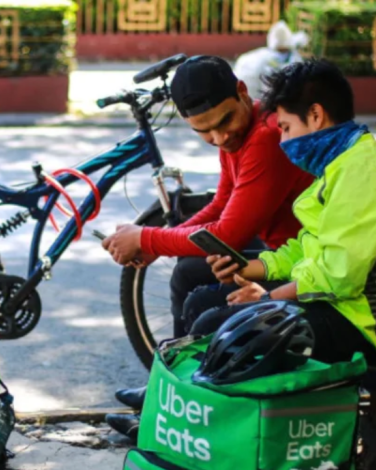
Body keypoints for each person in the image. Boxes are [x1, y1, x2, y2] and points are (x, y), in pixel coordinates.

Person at [108, 58, 376, 439]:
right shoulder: (341, 164)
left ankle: (195, 427)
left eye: (287, 128)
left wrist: (269, 296)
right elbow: (307, 247)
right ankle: (178, 412)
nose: (284, 140)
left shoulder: (362, 172)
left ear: (315, 115)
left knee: (218, 322)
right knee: (202, 305)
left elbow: (336, 276)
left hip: (360, 322)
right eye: (203, 132)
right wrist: (256, 273)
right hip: (332, 301)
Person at [102, 55, 313, 412]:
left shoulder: (264, 138)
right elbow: (221, 205)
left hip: (306, 268)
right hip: (285, 258)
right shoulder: (237, 138)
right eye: (203, 131)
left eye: (225, 120)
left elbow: (227, 232)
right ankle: (168, 384)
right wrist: (156, 244)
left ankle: (186, 401)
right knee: (187, 271)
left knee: (203, 307)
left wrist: (146, 238)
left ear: (242, 92)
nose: (219, 137)